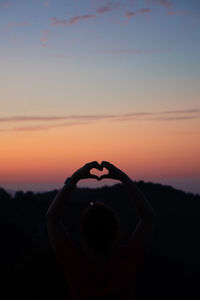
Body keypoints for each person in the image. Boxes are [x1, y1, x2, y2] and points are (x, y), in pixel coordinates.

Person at [46, 161, 155, 299]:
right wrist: (124, 179)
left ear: (83, 234)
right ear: (116, 233)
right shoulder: (125, 263)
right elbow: (148, 218)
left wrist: (74, 178)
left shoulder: (75, 265)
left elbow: (52, 218)